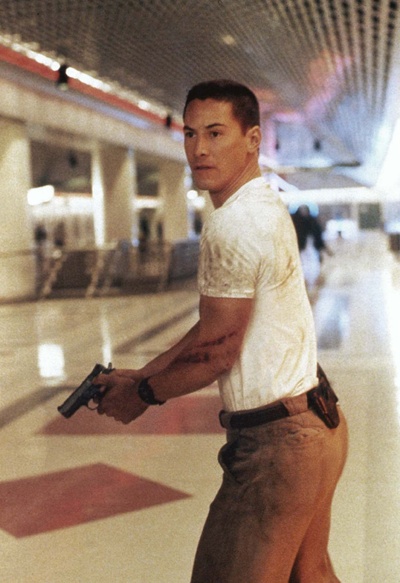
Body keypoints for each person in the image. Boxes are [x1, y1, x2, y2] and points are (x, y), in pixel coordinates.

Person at [94, 80, 348, 582]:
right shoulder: (263, 203)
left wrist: (142, 395)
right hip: (318, 422)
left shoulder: (231, 224)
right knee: (312, 575)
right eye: (190, 134)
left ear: (253, 139)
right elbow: (216, 327)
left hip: (278, 447)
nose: (199, 149)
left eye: (215, 133)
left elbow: (218, 352)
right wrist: (144, 373)